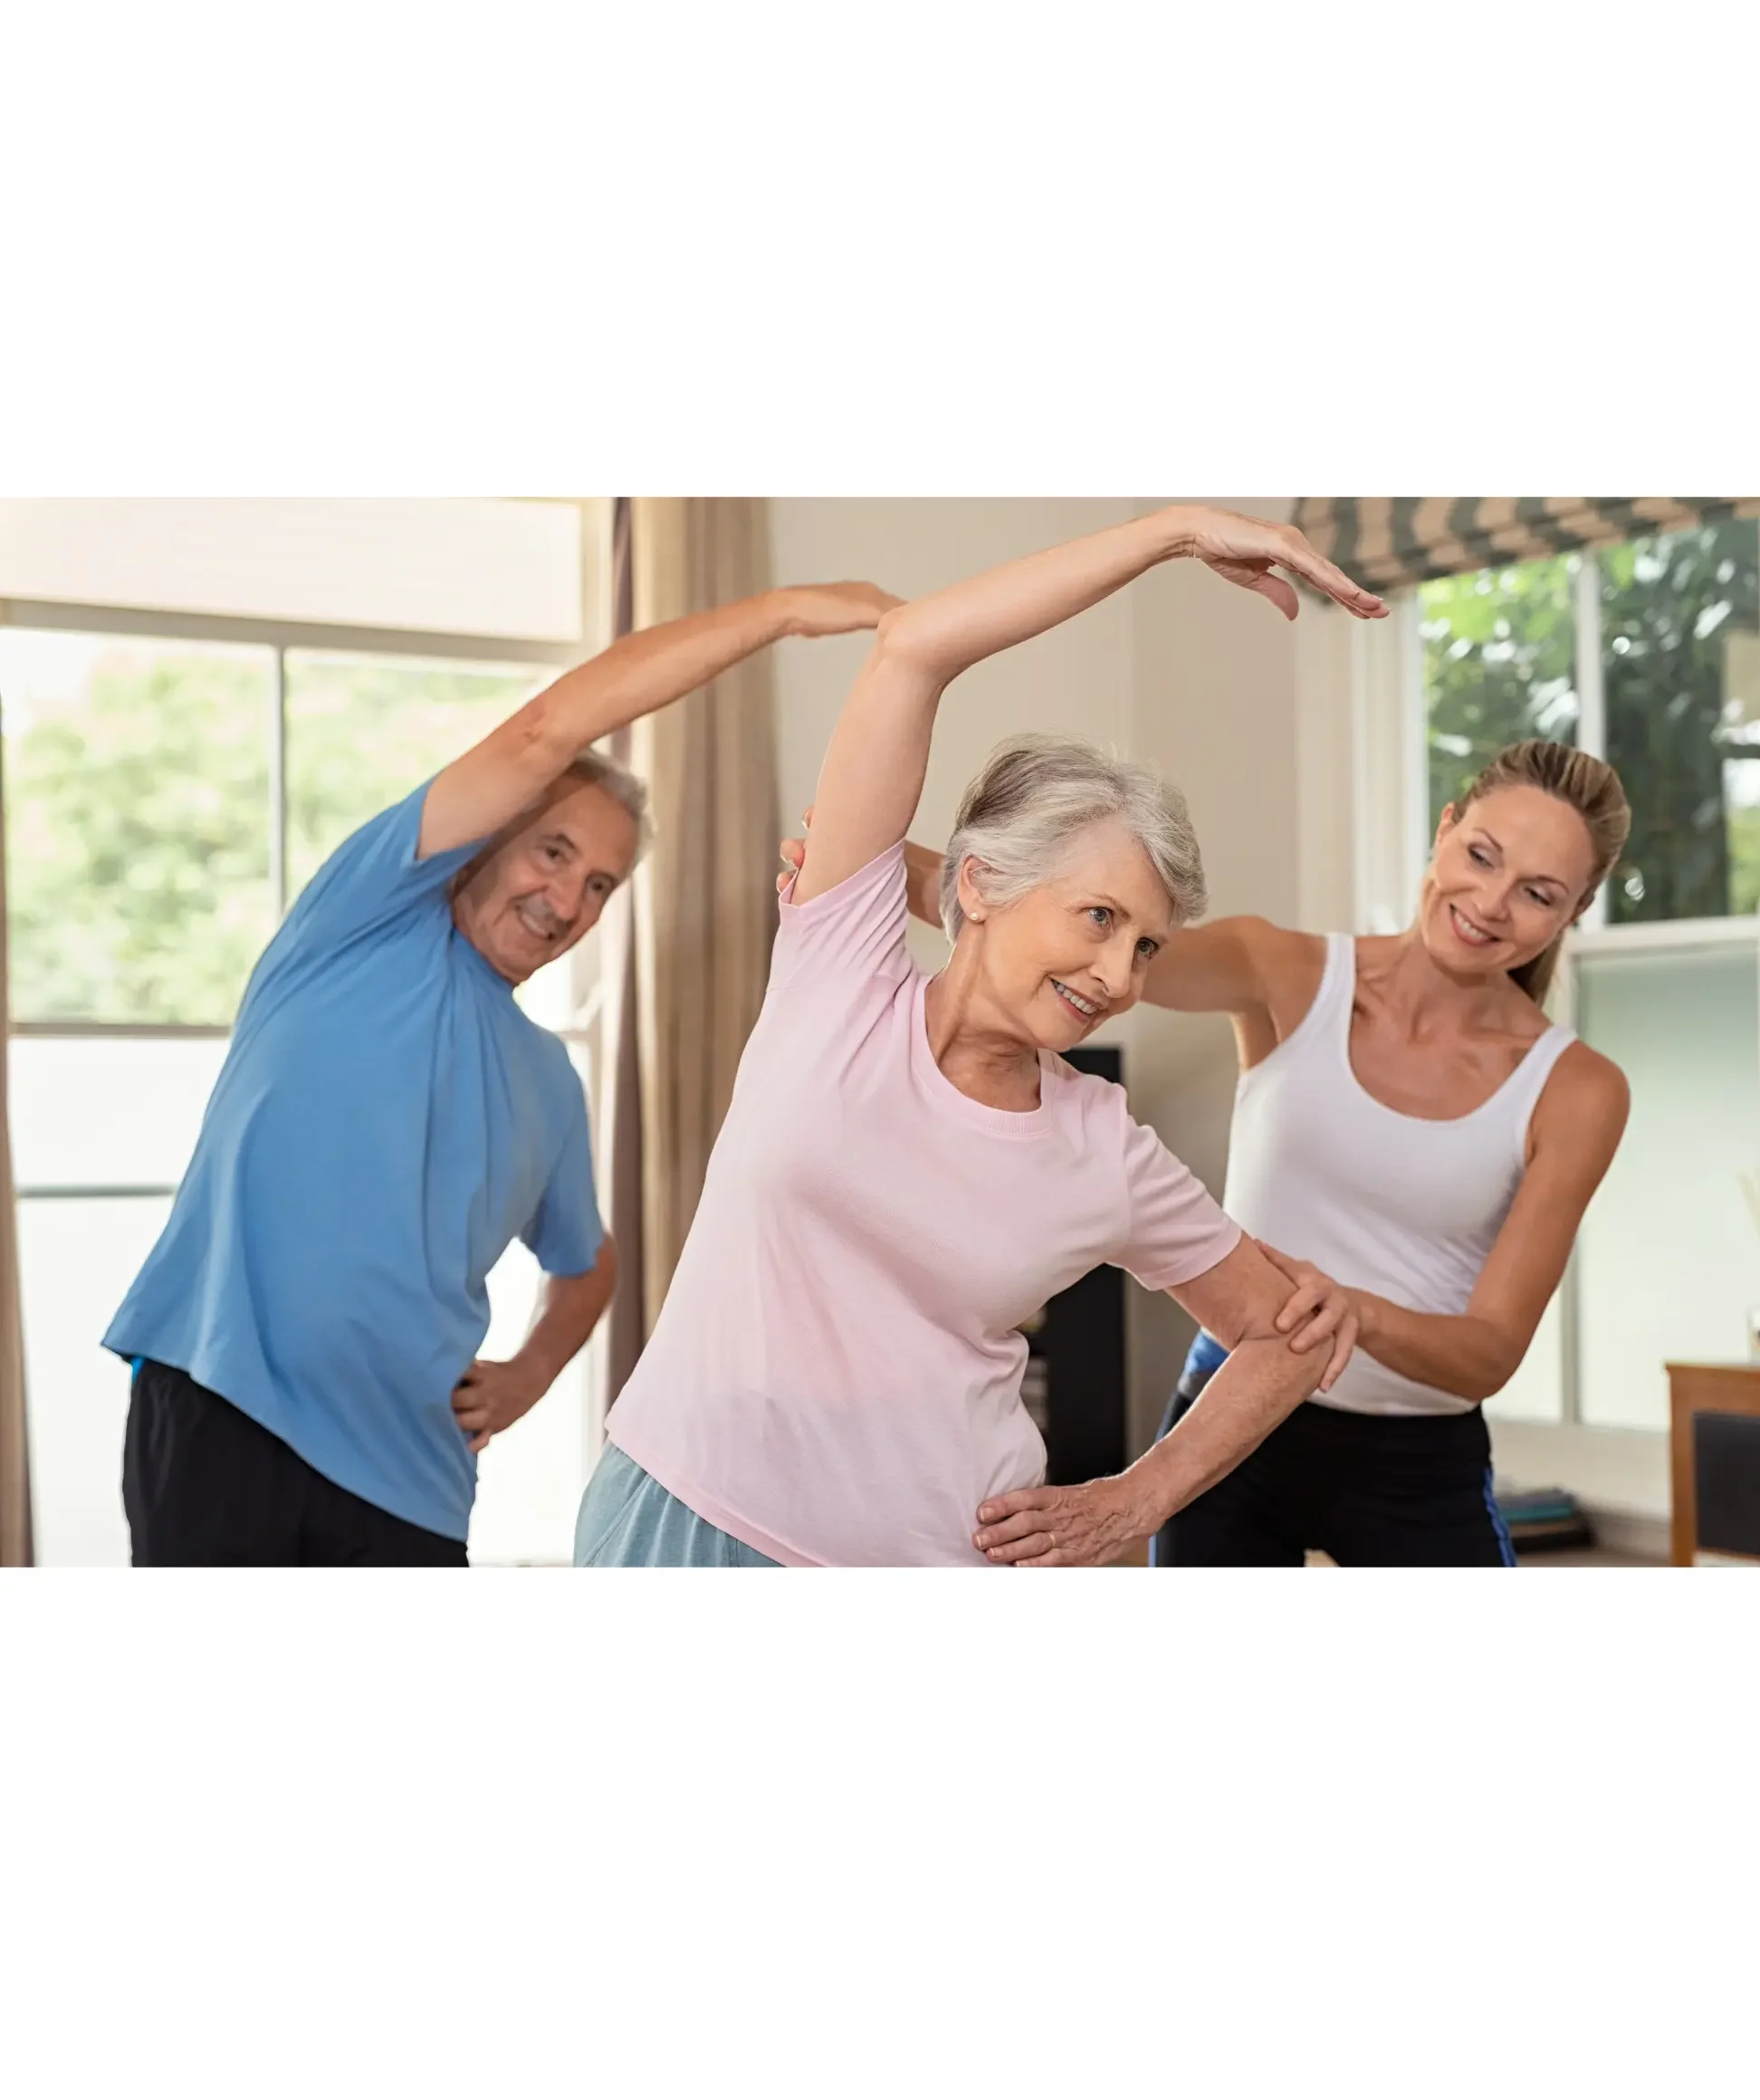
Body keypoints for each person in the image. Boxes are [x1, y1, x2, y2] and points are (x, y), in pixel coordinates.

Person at [575, 504, 1387, 1569]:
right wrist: (1170, 534)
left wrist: (1135, 1501)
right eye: (1098, 918)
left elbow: (1285, 1337)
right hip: (677, 1513)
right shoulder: (842, 968)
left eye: (1145, 948)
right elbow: (912, 649)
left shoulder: (1102, 1148)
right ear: (979, 884)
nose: (1116, 975)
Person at [106, 574, 899, 1566]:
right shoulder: (359, 928)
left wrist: (527, 1374)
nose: (567, 897)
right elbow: (543, 733)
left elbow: (589, 1263)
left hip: (411, 1479)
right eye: (552, 852)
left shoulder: (548, 1083)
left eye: (599, 884)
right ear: (484, 842)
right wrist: (778, 613)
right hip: (227, 1408)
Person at [872, 735, 1631, 1567]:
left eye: (1537, 893)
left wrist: (1345, 1310)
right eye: (1481, 856)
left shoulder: (1577, 1089)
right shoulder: (1285, 972)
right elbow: (1070, 927)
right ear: (1444, 830)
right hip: (1227, 1423)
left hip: (1415, 1459)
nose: (1489, 902)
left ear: (1575, 910)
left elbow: (1488, 1351)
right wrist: (851, 858)